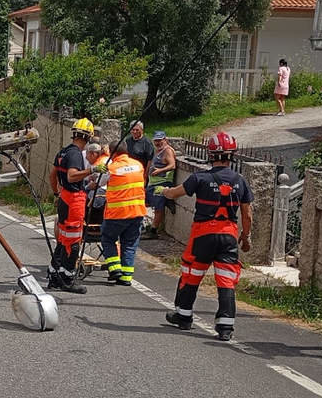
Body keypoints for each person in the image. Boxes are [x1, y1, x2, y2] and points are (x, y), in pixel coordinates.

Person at [162, 132, 252, 341]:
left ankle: (183, 316)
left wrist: (164, 192)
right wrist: (245, 237)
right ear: (232, 156)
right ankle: (225, 327)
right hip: (229, 235)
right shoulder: (240, 181)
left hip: (203, 234)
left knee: (191, 274)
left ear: (211, 154)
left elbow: (176, 193)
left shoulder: (200, 177)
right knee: (226, 281)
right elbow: (247, 214)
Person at [47, 118, 96, 294]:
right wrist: (91, 171)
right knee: (73, 241)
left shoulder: (63, 152)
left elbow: (53, 175)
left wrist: (56, 193)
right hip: (74, 199)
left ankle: (54, 275)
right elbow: (72, 176)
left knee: (63, 240)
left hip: (64, 199)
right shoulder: (75, 154)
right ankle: (67, 279)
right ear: (89, 136)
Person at [95, 144, 147, 285]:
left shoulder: (111, 168)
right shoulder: (138, 165)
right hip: (137, 213)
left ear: (112, 152)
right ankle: (126, 278)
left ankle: (115, 269)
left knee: (108, 239)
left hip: (117, 213)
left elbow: (98, 183)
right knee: (129, 244)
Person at [142, 131, 177, 240]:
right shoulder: (158, 150)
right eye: (156, 140)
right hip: (153, 183)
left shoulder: (167, 151)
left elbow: (172, 165)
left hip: (162, 183)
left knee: (158, 208)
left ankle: (153, 231)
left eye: (159, 140)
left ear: (165, 140)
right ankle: (167, 201)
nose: (157, 143)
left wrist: (160, 170)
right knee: (147, 202)